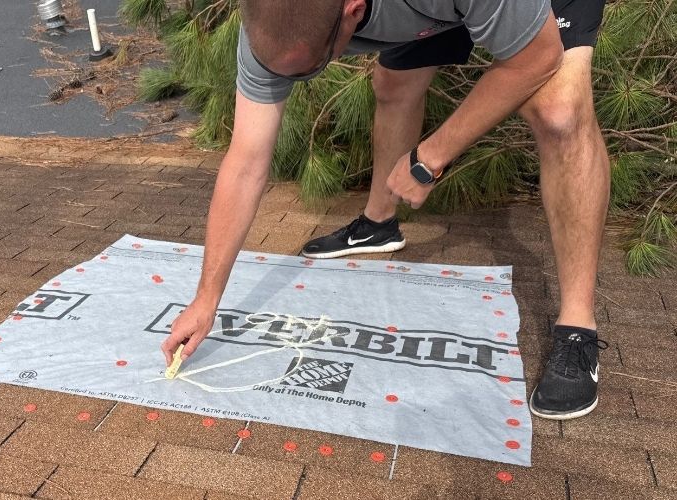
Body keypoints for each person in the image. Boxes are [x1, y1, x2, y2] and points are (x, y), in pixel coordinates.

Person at [162, 0, 610, 421]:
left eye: (310, 70)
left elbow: (536, 58)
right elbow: (245, 165)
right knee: (394, 82)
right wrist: (207, 299)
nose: (294, 83)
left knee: (558, 111)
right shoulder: (271, 20)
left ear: (352, 11)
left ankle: (577, 326)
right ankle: (378, 225)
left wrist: (431, 156)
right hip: (427, 8)